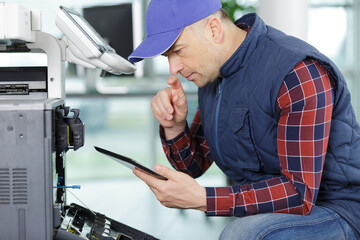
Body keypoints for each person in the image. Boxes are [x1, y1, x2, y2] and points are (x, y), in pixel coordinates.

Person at [128, 0, 360, 239]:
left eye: (177, 51)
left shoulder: (297, 74)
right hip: (275, 213)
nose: (173, 68)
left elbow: (299, 195)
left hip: (339, 209)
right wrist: (175, 126)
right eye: (167, 56)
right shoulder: (214, 73)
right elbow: (193, 166)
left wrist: (204, 199)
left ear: (214, 30)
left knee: (240, 235)